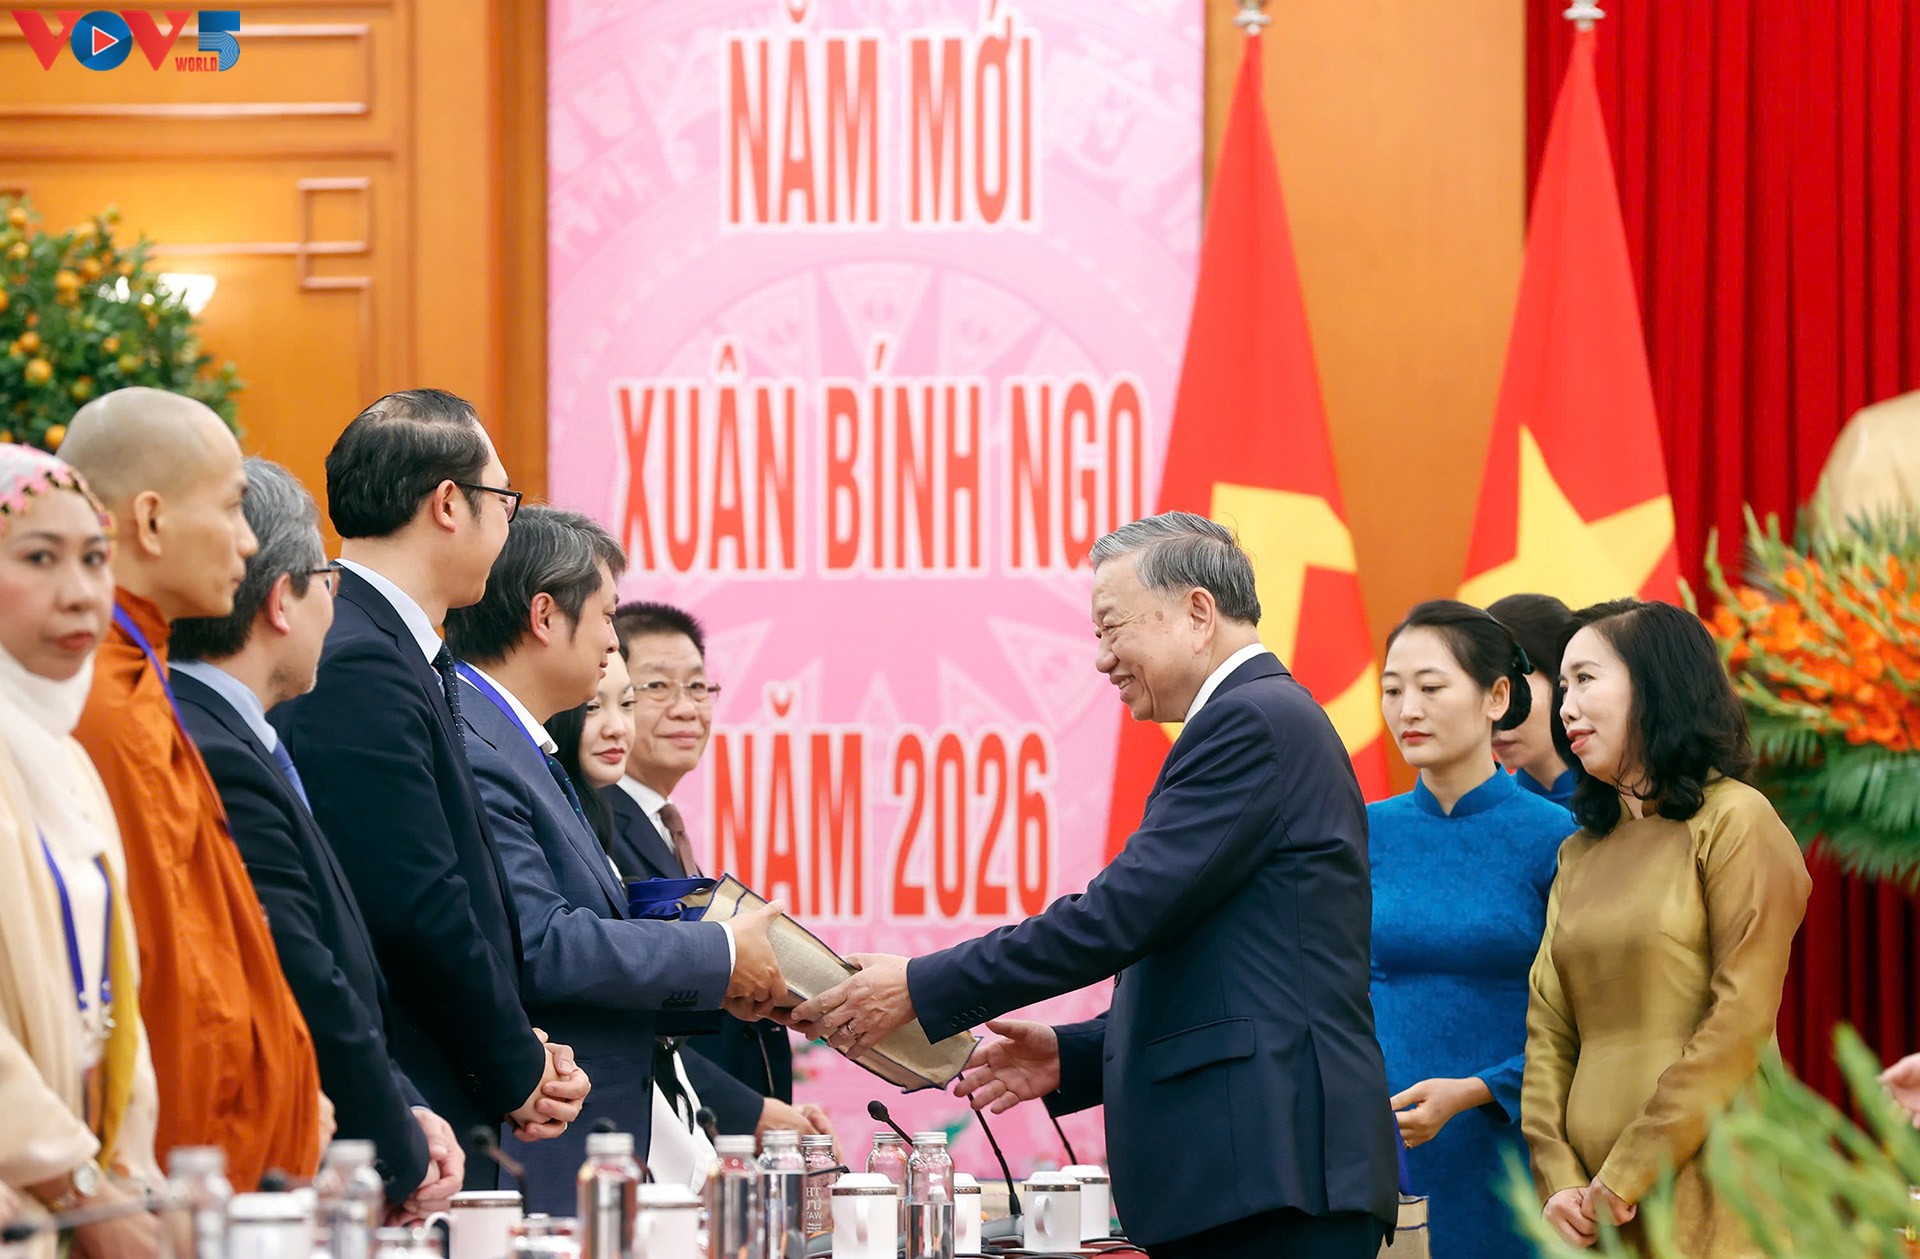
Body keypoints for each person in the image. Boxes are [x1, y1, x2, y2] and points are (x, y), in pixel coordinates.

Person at [789, 511, 1398, 1259]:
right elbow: (1239, 972)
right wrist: (1073, 1056)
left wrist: (920, 985)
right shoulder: (1262, 719)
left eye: (1111, 628)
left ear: (1197, 612)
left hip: (1274, 1177)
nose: (1103, 658)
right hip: (1261, 1175)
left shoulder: (1251, 723)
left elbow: (1115, 916)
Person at [271, 390, 588, 1184]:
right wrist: (515, 1061)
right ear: (449, 503)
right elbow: (413, 900)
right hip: (407, 1097)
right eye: (504, 500)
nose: (510, 522)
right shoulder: (360, 656)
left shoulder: (385, 643)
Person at [441, 506, 786, 1210]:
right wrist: (720, 951)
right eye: (605, 614)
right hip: (533, 1147)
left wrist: (717, 968)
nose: (611, 640)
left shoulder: (520, 746)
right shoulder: (482, 749)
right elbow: (543, 942)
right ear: (545, 616)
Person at [170, 458, 463, 1217]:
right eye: (326, 584)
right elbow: (301, 973)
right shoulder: (214, 752)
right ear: (281, 601)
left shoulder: (237, 736)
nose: (333, 610)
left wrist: (403, 1106)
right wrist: (394, 1150)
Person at [59, 387, 324, 1187]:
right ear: (149, 520)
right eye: (233, 507)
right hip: (182, 1174)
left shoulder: (140, 679)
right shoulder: (99, 703)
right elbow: (170, 974)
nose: (249, 542)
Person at [1522, 599, 1812, 1254]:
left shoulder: (1737, 820)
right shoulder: (1579, 851)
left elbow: (1740, 1016)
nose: (1565, 706)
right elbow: (1549, 1027)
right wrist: (1557, 1177)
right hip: (1588, 1208)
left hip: (1717, 1174)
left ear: (1657, 684)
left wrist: (1629, 1169)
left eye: (1585, 679)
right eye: (1562, 687)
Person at [1369, 600, 1573, 1259]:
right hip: (1381, 1149)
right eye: (1393, 690)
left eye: (1431, 688)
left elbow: (1587, 1020)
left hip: (1513, 1148)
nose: (1408, 710)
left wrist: (1478, 1090)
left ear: (1497, 697)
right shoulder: (1363, 829)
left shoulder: (1558, 837)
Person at [0, 448, 162, 1259]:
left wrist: (126, 1177)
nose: (80, 592)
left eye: (95, 559)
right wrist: (76, 1185)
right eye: (39, 558)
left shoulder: (67, 761)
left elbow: (111, 993)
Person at [600, 601, 812, 1139]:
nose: (686, 709)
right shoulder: (596, 826)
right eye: (657, 687)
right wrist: (748, 1113)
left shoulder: (659, 825)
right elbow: (621, 1012)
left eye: (698, 687)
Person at [1486, 594, 1579, 807]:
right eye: (1483, 693)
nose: (1496, 715)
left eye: (1512, 691)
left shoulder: (1636, 802)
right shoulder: (1483, 813)